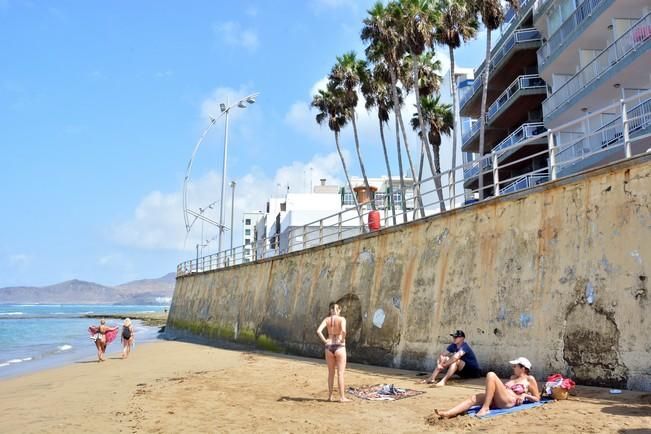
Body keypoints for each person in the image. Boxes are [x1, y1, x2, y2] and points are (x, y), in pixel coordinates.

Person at [435, 357, 541, 419]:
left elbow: (537, 398)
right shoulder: (512, 377)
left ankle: (485, 407)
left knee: (491, 375)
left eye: (515, 366)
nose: (513, 368)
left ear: (523, 368)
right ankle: (448, 413)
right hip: (500, 397)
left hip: (509, 401)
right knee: (474, 398)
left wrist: (524, 395)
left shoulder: (529, 379)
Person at [316, 302, 351, 402]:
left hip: (329, 346)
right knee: (340, 373)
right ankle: (342, 397)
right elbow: (344, 331)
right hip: (339, 346)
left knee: (331, 373)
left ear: (331, 310)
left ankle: (330, 396)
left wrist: (325, 341)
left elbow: (318, 331)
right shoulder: (342, 319)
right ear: (339, 310)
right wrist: (342, 339)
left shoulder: (326, 319)